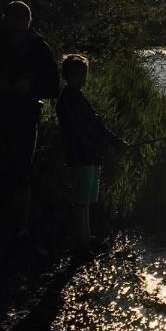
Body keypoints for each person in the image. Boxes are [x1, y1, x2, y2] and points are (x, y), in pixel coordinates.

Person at [0, 0, 60, 246]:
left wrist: (30, 86)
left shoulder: (39, 48)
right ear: (6, 21)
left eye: (21, 23)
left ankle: (21, 228)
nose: (17, 29)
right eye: (13, 23)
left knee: (21, 170)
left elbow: (53, 87)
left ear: (28, 22)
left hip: (25, 117)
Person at [55, 54, 127, 257]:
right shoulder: (68, 100)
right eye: (78, 74)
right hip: (80, 157)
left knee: (86, 200)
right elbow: (79, 132)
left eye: (84, 74)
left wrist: (115, 141)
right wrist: (101, 146)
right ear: (68, 75)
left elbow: (97, 126)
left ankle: (86, 238)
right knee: (81, 202)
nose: (82, 78)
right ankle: (81, 244)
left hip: (89, 157)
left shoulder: (78, 98)